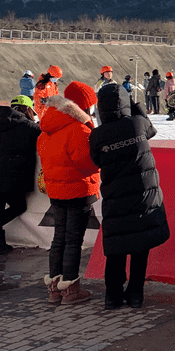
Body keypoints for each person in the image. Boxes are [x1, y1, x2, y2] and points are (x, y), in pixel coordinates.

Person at [89, 83, 170, 309]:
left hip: (115, 199)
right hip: (143, 197)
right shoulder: (138, 123)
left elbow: (96, 161)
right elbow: (151, 130)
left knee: (116, 249)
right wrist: (136, 107)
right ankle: (135, 295)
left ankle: (112, 296)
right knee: (139, 248)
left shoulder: (97, 135)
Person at [38, 81, 101, 306]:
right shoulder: (79, 129)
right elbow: (88, 165)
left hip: (56, 191)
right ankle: (71, 290)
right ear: (83, 106)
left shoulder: (47, 129)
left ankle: (54, 289)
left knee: (59, 239)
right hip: (77, 191)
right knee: (73, 241)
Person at [0, 95, 40, 254]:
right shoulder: (28, 126)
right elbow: (42, 135)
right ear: (27, 109)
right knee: (19, 206)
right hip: (11, 175)